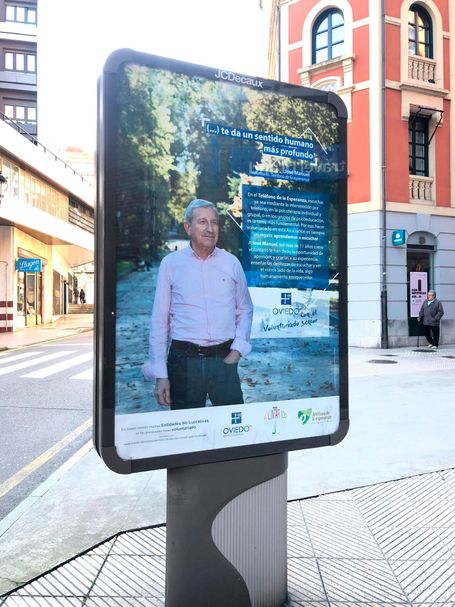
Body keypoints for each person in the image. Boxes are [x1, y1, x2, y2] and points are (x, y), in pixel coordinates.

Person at [142, 199, 253, 410]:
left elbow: (245, 308)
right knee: (187, 434)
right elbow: (159, 321)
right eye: (202, 222)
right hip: (184, 363)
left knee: (233, 429)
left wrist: (237, 350)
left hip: (224, 360)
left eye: (214, 222)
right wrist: (161, 375)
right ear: (188, 227)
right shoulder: (171, 264)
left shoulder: (231, 263)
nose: (210, 229)